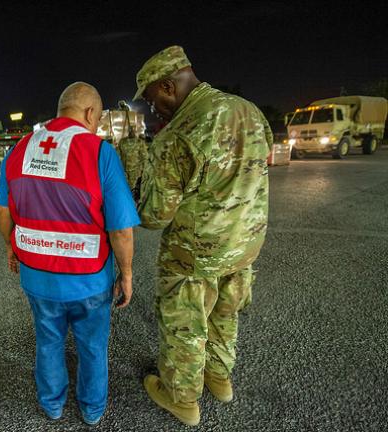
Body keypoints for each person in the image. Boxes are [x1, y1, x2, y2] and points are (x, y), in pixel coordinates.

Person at [133, 46, 272, 426]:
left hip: (195, 253)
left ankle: (182, 399)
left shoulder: (178, 134)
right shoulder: (249, 111)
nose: (153, 109)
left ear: (167, 85)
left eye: (151, 99)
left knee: (185, 324)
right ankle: (219, 379)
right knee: (226, 313)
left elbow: (155, 216)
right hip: (246, 244)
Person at [0, 82, 140, 426]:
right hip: (88, 280)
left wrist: (10, 247)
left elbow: (3, 212)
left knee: (48, 340)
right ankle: (91, 410)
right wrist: (128, 273)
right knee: (92, 347)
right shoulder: (99, 152)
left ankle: (52, 405)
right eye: (99, 117)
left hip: (37, 275)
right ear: (91, 113)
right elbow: (121, 230)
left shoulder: (18, 149)